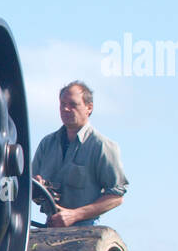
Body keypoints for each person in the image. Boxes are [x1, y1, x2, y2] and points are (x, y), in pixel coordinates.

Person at [32, 81, 127, 228]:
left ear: (89, 108)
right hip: (50, 226)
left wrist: (75, 215)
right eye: (62, 104)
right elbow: (28, 185)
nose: (66, 109)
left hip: (85, 230)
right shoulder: (47, 144)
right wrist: (37, 187)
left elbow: (116, 197)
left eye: (73, 104)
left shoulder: (101, 146)